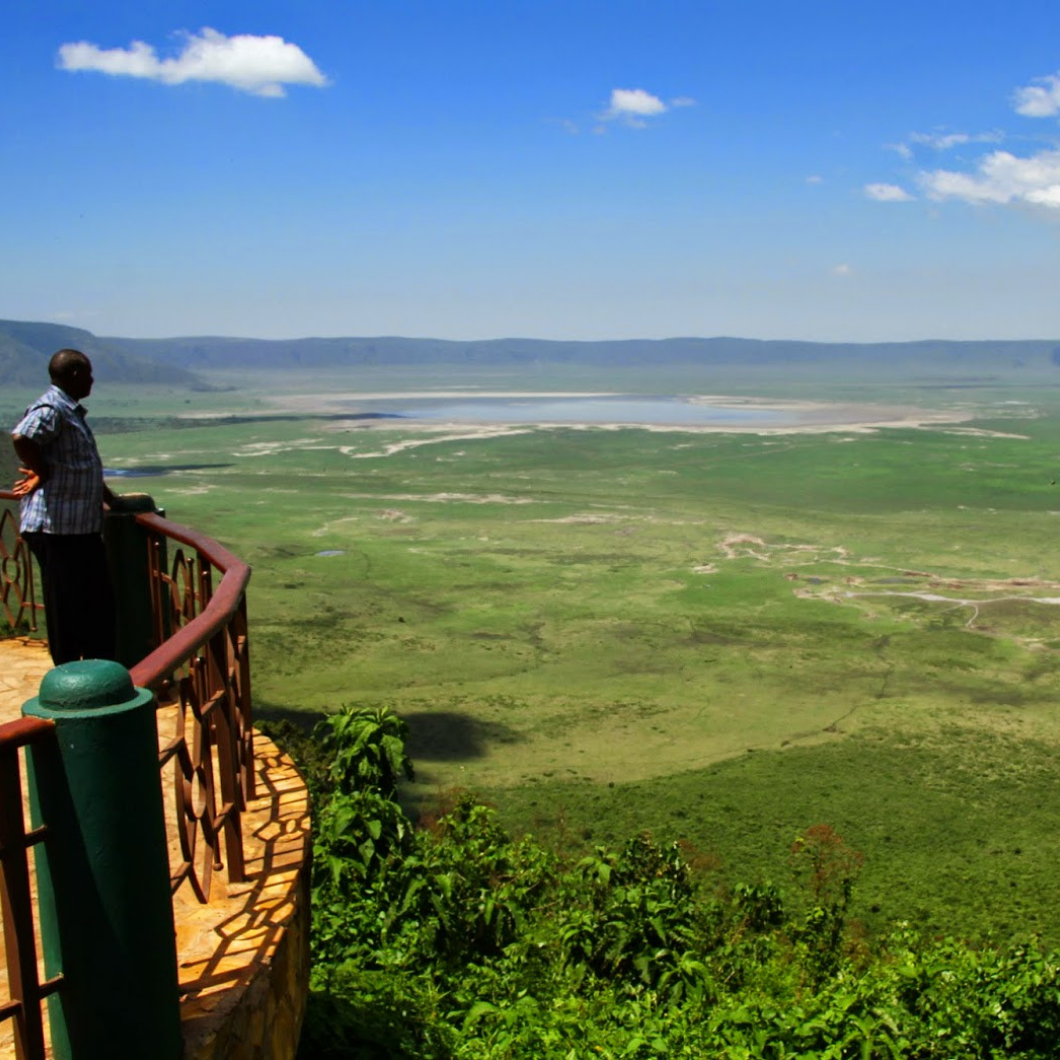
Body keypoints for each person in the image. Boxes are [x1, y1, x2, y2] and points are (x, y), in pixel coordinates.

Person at [10, 349, 121, 665]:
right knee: (66, 608)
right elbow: (23, 437)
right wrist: (40, 470)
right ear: (74, 375)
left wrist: (111, 500)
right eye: (88, 374)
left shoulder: (69, 410)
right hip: (56, 527)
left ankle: (97, 671)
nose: (92, 380)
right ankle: (70, 679)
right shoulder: (53, 409)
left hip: (76, 528)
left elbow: (78, 464)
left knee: (93, 603)